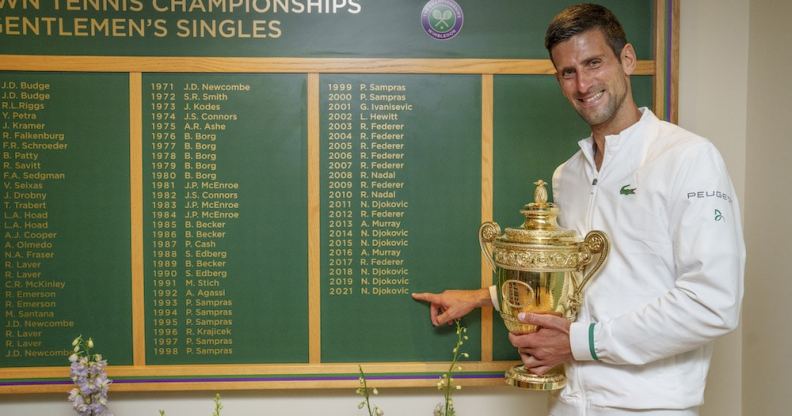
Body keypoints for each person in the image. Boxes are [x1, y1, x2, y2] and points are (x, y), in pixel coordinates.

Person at [412, 3, 745, 415]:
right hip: (570, 400)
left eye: (593, 63)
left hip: (650, 407)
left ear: (626, 59)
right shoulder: (566, 176)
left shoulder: (689, 159)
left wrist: (579, 342)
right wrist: (483, 297)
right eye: (568, 72)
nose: (583, 83)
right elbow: (577, 283)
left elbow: (712, 304)